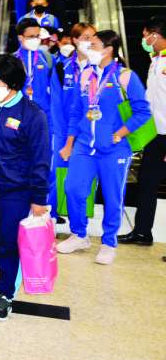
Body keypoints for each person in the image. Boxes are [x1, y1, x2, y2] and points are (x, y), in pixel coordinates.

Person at [57, 30, 152, 265]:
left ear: (108, 49)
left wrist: (120, 134)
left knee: (112, 196)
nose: (88, 48)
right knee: (73, 188)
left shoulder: (125, 77)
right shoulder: (85, 75)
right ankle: (79, 235)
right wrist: (69, 143)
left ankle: (109, 243)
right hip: (84, 147)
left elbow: (143, 112)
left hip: (113, 149)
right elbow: (76, 112)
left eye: (94, 45)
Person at [0, 54, 50, 321]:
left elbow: (41, 158)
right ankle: (7, 268)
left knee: (8, 241)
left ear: (12, 83)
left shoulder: (32, 115)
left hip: (15, 191)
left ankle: (5, 294)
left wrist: (39, 198)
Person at [119, 17, 166, 246]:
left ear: (155, 35)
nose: (144, 39)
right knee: (147, 182)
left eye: (146, 35)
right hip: (155, 134)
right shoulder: (156, 60)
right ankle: (142, 232)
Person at [50, 23, 96, 221]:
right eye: (86, 37)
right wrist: (61, 136)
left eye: (93, 37)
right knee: (57, 172)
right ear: (75, 40)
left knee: (84, 177)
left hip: (89, 131)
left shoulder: (99, 67)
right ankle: (53, 213)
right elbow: (55, 104)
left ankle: (80, 220)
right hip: (63, 131)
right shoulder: (62, 68)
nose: (91, 42)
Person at [15, 18, 53, 122]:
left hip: (42, 115)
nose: (36, 40)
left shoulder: (48, 58)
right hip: (19, 116)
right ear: (20, 37)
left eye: (37, 36)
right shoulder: (12, 61)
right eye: (31, 36)